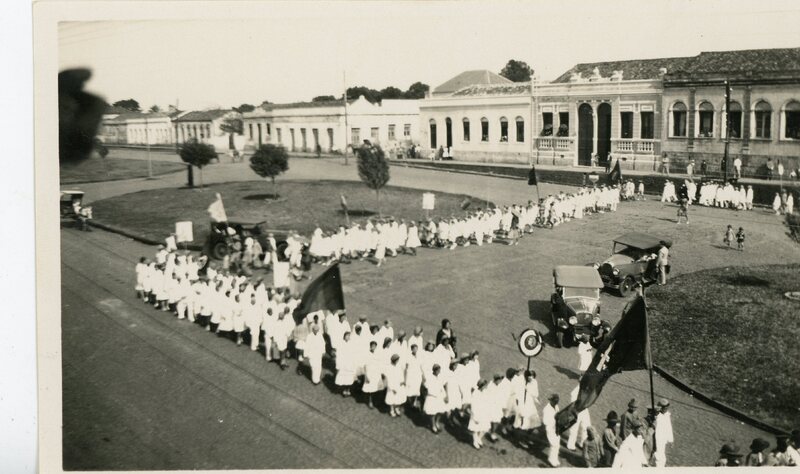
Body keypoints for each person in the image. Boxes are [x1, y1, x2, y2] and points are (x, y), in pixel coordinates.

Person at [424, 364, 448, 433]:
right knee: (433, 412)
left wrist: (445, 395)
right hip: (432, 397)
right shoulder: (429, 377)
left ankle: (437, 422)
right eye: (437, 370)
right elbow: (427, 387)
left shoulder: (440, 377)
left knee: (441, 411)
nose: (439, 372)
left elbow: (442, 386)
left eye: (439, 370)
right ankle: (433, 425)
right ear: (434, 370)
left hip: (440, 396)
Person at [653, 398, 674, 467]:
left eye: (667, 408)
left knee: (662, 455)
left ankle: (661, 466)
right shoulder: (657, 416)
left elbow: (669, 427)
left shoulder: (667, 415)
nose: (666, 409)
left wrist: (670, 440)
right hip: (658, 438)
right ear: (661, 408)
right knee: (659, 455)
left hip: (664, 438)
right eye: (665, 408)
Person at [542, 393, 561, 467]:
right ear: (551, 401)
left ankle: (555, 459)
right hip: (550, 429)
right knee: (554, 444)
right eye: (554, 401)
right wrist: (554, 420)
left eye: (557, 401)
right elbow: (545, 422)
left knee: (557, 444)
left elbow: (558, 415)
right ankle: (551, 460)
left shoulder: (556, 406)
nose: (556, 402)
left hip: (556, 428)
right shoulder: (546, 409)